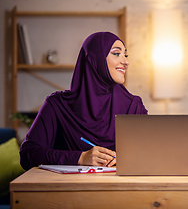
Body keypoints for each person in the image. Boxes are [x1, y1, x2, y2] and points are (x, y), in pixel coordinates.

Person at [20, 32, 148, 170]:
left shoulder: (134, 107)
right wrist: (80, 158)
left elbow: (152, 154)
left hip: (121, 188)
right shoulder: (56, 106)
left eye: (126, 55)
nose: (126, 62)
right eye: (116, 53)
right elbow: (28, 153)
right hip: (69, 189)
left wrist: (127, 159)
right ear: (95, 58)